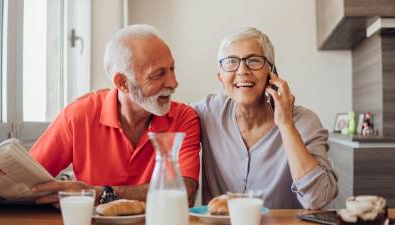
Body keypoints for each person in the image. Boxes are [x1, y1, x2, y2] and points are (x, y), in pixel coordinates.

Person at [30, 24, 200, 206]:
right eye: (158, 75)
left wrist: (101, 193)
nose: (173, 83)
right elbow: (24, 183)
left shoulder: (184, 118)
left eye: (172, 69)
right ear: (123, 83)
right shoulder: (78, 116)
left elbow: (185, 195)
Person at [193, 27, 338, 209]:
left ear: (272, 72)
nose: (242, 70)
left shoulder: (304, 122)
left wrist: (286, 125)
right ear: (220, 77)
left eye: (253, 60)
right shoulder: (205, 113)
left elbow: (318, 199)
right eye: (231, 62)